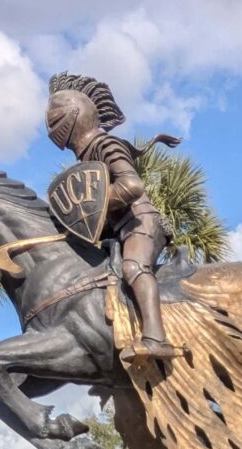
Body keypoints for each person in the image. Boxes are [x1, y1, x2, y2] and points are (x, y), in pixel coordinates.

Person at [45, 72, 181, 361]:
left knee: (133, 267)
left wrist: (97, 205)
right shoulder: (86, 158)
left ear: (74, 115)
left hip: (140, 221)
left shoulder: (106, 145)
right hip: (116, 234)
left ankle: (157, 338)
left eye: (56, 119)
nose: (52, 129)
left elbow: (132, 186)